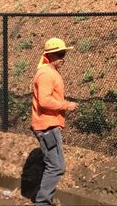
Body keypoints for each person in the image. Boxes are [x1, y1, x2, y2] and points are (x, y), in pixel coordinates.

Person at [31, 37, 78, 206]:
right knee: (56, 166)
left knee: (57, 165)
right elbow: (44, 101)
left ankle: (43, 202)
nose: (63, 57)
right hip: (47, 127)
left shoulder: (49, 72)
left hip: (49, 126)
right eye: (59, 54)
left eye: (64, 53)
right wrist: (67, 105)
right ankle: (42, 203)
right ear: (50, 55)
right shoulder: (45, 74)